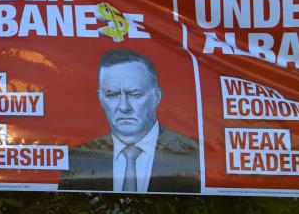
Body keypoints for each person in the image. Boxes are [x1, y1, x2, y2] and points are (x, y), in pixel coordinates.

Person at [59, 49, 200, 193]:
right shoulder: (78, 159)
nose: (124, 107)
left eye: (134, 94)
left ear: (156, 97)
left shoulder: (194, 154)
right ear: (100, 99)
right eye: (112, 95)